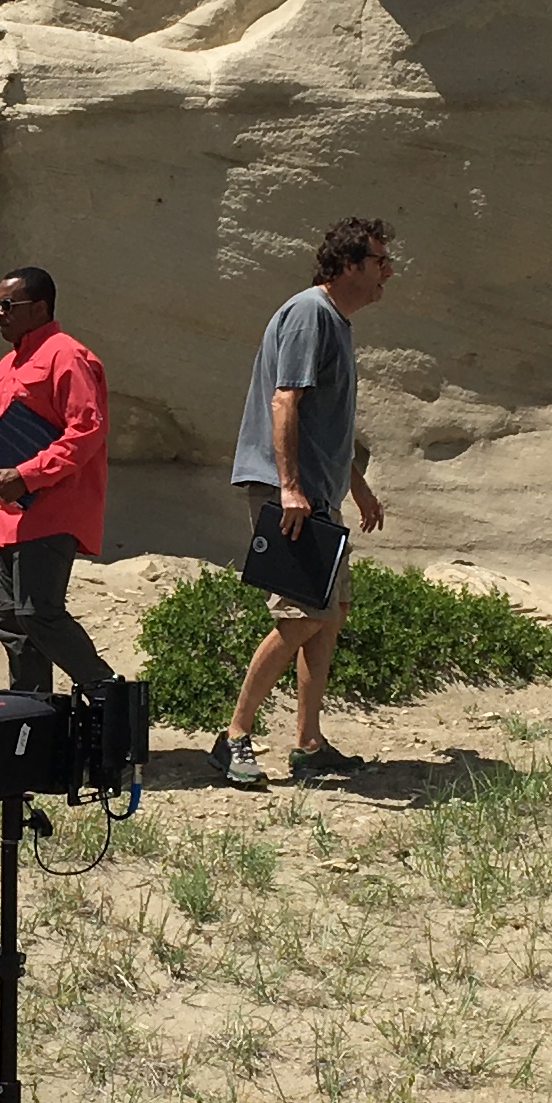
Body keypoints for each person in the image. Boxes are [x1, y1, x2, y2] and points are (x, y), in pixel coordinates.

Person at [215, 217, 392, 789]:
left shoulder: (335, 322)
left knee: (327, 617)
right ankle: (234, 737)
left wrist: (356, 486)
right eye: (378, 261)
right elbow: (285, 401)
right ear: (348, 265)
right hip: (288, 492)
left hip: (315, 490)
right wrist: (290, 487)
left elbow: (324, 423)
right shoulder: (310, 314)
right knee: (299, 616)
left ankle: (309, 744)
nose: (387, 272)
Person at [0, 266, 114, 694]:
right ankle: (33, 723)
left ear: (40, 308)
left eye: (9, 305)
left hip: (54, 510)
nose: (0, 313)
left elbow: (87, 431)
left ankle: (108, 695)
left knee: (38, 612)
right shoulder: (7, 364)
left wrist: (27, 475)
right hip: (11, 517)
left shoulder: (67, 355)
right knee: (13, 623)